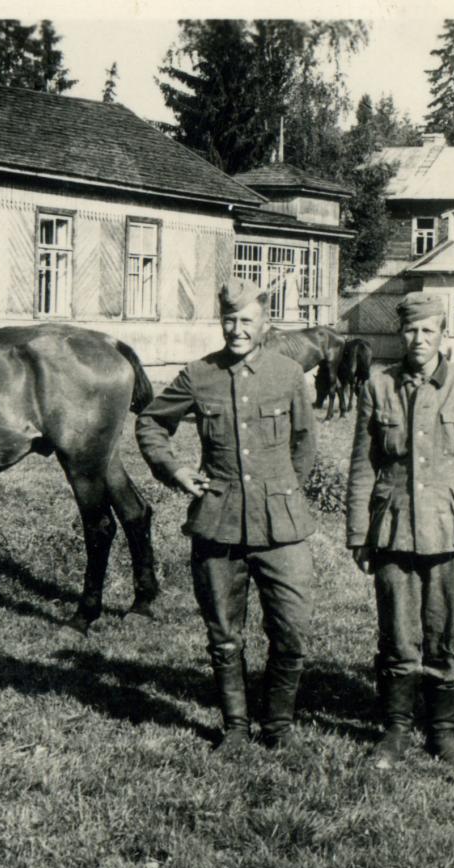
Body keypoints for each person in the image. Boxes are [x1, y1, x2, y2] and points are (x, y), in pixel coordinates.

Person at [136, 277, 318, 754]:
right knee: (223, 635)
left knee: (291, 630)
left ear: (266, 324)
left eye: (247, 321)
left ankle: (278, 727)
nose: (237, 330)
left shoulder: (288, 374)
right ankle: (236, 728)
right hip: (217, 523)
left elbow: (304, 445)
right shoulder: (200, 374)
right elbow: (151, 421)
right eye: (230, 320)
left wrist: (282, 492)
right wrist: (174, 469)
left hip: (282, 527)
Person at [345, 292, 454, 769]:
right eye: (411, 330)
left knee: (447, 632)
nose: (419, 339)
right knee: (396, 634)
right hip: (392, 528)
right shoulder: (379, 386)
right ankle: (395, 731)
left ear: (443, 334)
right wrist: (358, 534)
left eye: (428, 330)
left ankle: (442, 733)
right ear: (401, 333)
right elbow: (363, 466)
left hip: (450, 530)